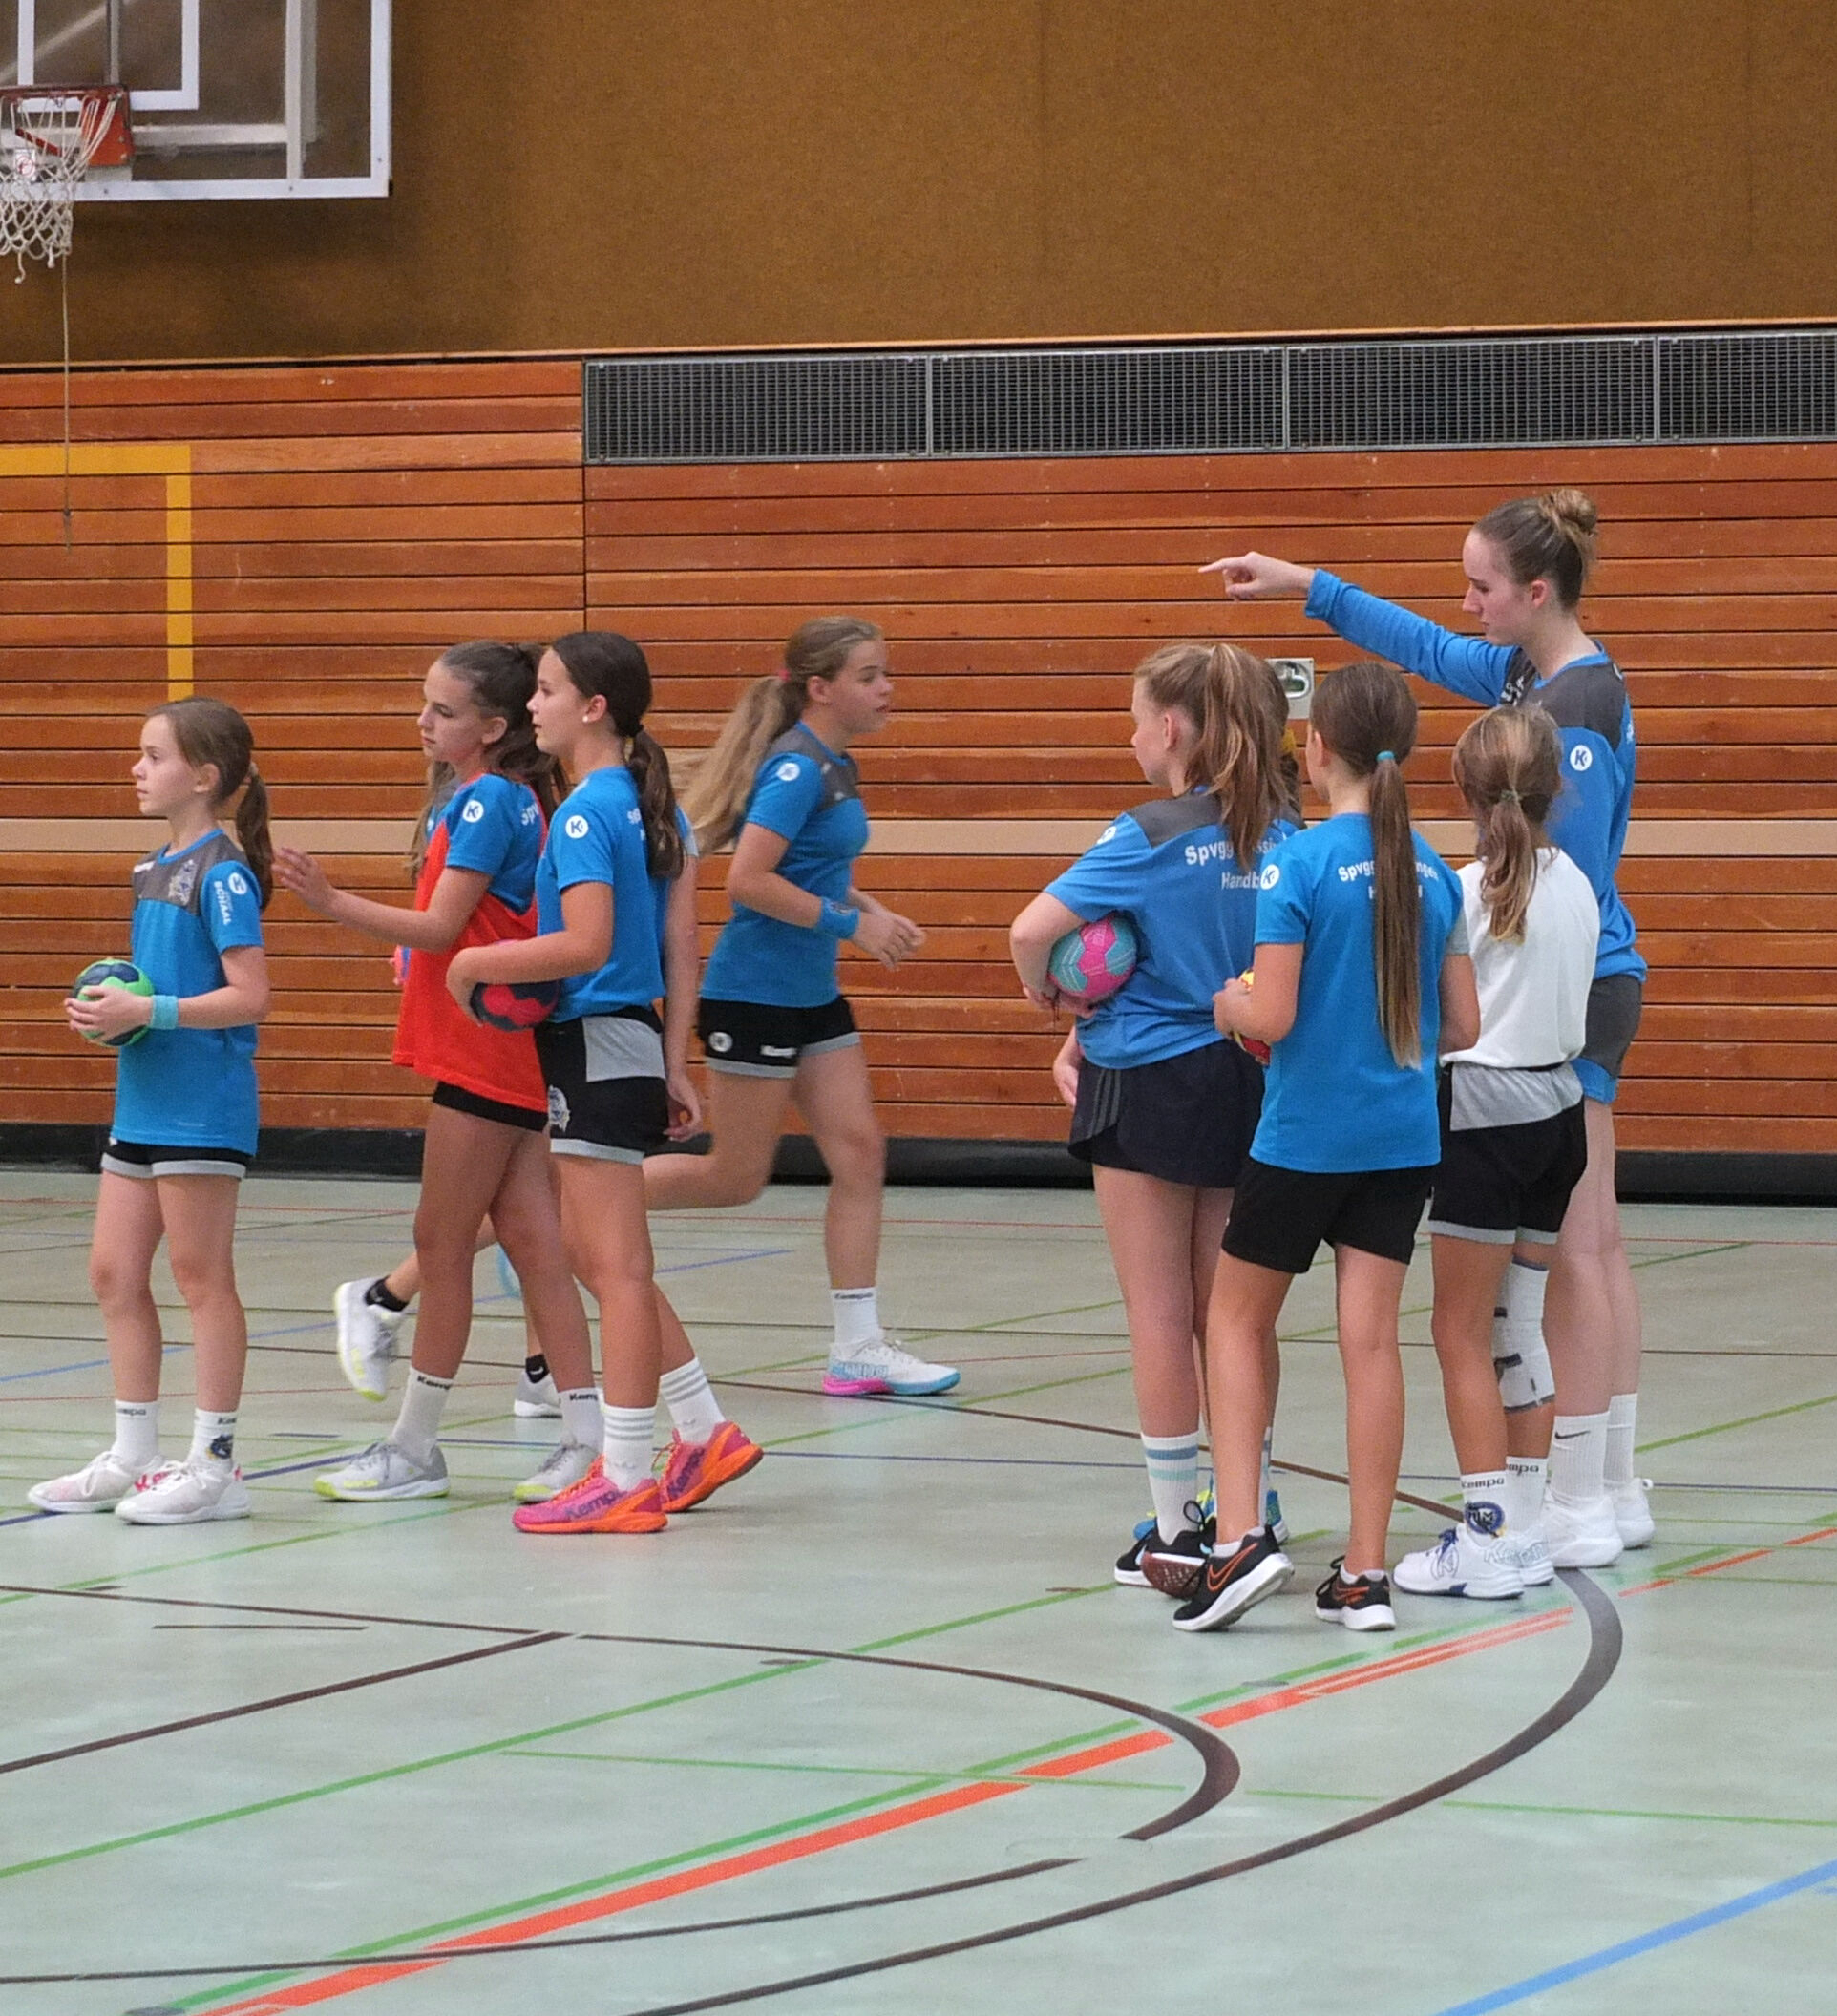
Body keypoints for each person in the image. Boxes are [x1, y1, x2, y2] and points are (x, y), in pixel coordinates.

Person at [1205, 489, 1651, 1560]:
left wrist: (1461, 953)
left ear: (1535, 592)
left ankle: (1587, 1490)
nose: (1465, 604)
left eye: (1481, 586)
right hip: (1561, 996)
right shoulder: (1529, 677)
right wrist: (1309, 587)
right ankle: (1601, 1485)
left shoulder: (1575, 714)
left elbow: (1564, 890)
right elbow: (1424, 647)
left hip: (1572, 997)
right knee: (1581, 1243)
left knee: (1581, 1248)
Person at [1173, 662, 1478, 1635]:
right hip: (1402, 1140)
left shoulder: (1298, 865)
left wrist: (1228, 1004)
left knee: (1232, 1321)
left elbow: (1271, 1012)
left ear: (1315, 750)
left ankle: (1236, 1539)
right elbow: (1462, 1026)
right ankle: (1364, 1574)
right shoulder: (1433, 872)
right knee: (1370, 1343)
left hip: (1305, 1138)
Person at [275, 642, 605, 1505]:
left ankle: (416, 1448)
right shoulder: (512, 796)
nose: (424, 722)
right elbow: (467, 923)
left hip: (482, 1048)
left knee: (441, 1243)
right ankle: (587, 1438)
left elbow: (442, 926)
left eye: (444, 711)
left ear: (492, 727)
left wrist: (331, 902)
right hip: (504, 1044)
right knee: (536, 1247)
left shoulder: (490, 798)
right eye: (425, 704)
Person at [449, 630, 760, 1535]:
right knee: (593, 1255)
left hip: (594, 1040)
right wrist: (672, 1061)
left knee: (615, 1268)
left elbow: (585, 945)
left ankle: (623, 1475)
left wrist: (474, 963)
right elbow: (679, 945)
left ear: (593, 708)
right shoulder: (649, 808)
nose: (532, 704)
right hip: (624, 1042)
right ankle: (701, 1430)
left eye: (547, 690)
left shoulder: (586, 813)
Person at [1009, 644, 1296, 1596]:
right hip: (1253, 1076)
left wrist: (1053, 998)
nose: (1132, 736)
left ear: (1170, 728)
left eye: (1136, 718)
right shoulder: (1287, 829)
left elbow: (1030, 930)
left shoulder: (1145, 833)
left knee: (1160, 1314)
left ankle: (1176, 1532)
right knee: (1234, 1314)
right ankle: (1250, 1505)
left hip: (1144, 1076)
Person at [644, 616, 958, 1398]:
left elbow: (813, 869)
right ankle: (570, 1206)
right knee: (733, 1177)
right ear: (820, 688)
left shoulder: (835, 764)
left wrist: (869, 909)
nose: (886, 689)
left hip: (812, 995)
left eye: (884, 673)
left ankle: (857, 1347)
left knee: (860, 1153)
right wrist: (854, 926)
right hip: (755, 996)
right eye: (868, 676)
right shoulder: (795, 770)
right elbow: (748, 881)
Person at [31, 699, 274, 1524]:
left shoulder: (223, 873)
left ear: (203, 777)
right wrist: (112, 1014)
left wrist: (153, 1011)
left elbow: (250, 996)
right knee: (112, 1271)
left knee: (200, 1277)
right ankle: (134, 1453)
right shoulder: (150, 868)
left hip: (202, 1106)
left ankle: (215, 1466)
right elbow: (152, 989)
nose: (137, 769)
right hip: (144, 1096)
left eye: (153, 755)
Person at [1394, 705, 1599, 1600]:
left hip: (1485, 1115)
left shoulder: (1462, 891)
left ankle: (1485, 1537)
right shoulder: (1579, 885)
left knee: (1460, 1332)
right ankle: (1521, 1527)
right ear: (1556, 789)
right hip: (1560, 1116)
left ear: (1463, 794)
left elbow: (1440, 1016)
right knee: (1517, 1326)